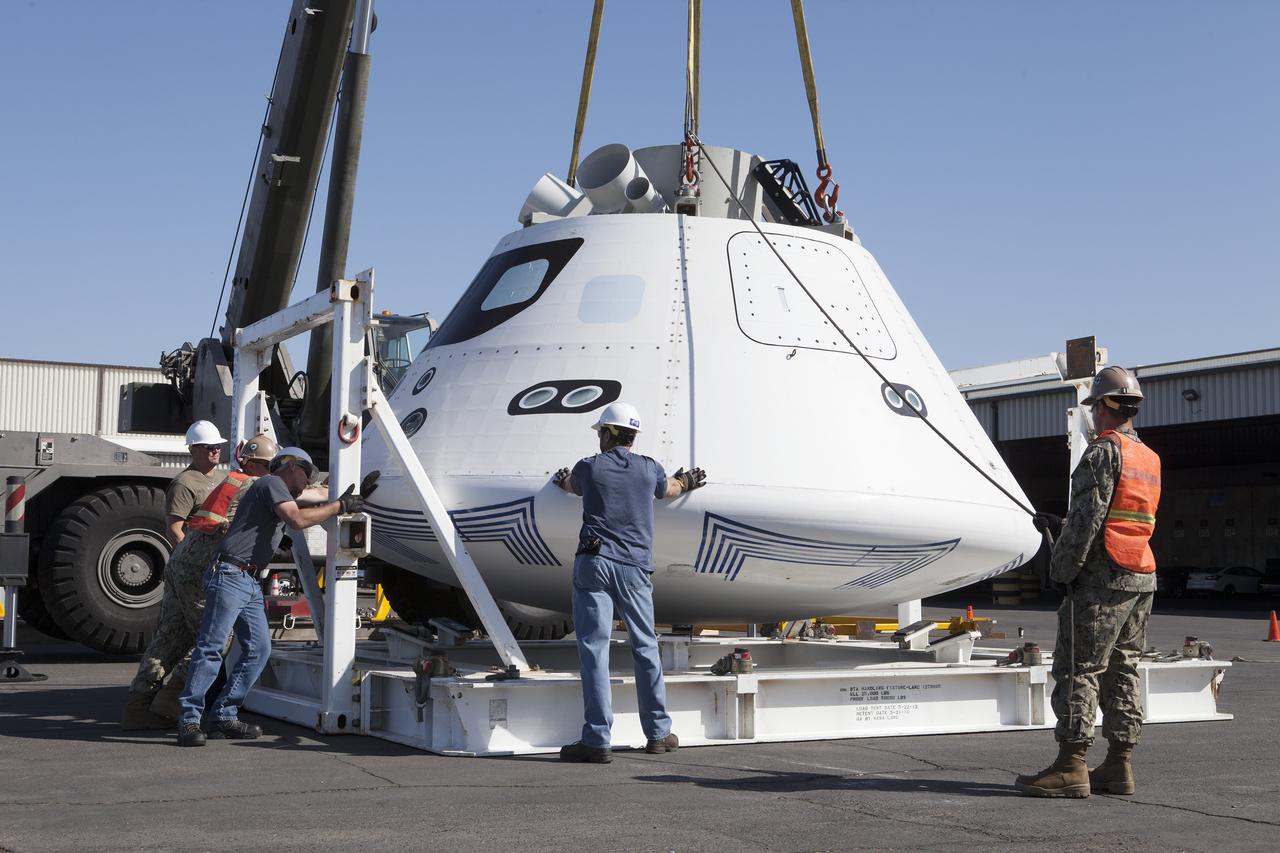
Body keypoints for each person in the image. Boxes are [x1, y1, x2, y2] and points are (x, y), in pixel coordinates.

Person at [1015, 366, 1161, 798]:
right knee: (1124, 669)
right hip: (1140, 576)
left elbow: (1086, 522)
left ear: (1101, 407)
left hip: (1099, 583)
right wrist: (1065, 524)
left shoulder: (1102, 453)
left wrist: (1060, 568)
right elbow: (1120, 516)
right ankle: (1119, 764)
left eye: (1094, 407)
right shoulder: (1148, 457)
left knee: (1080, 669)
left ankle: (1071, 764)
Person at [175, 448, 378, 747]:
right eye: (307, 474)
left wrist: (356, 494)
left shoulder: (280, 489)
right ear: (292, 466)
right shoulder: (270, 484)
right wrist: (338, 506)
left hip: (247, 579)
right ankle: (189, 719)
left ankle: (223, 714)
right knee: (211, 648)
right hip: (231, 574)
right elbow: (296, 519)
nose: (308, 483)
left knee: (259, 649)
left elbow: (316, 495)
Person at [552, 402, 706, 763]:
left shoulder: (589, 467)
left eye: (600, 432)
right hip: (636, 567)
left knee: (594, 649)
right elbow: (668, 489)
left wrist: (560, 480)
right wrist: (687, 481)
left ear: (607, 433)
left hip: (595, 564)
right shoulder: (649, 468)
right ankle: (658, 733)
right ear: (633, 436)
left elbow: (570, 486)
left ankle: (596, 740)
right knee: (645, 647)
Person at [121, 434, 295, 729]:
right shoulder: (259, 485)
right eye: (272, 466)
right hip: (205, 566)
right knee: (216, 638)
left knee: (169, 638)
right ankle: (171, 701)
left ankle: (138, 706)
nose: (276, 473)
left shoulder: (231, 480)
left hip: (181, 563)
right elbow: (294, 498)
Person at [166, 420, 227, 546]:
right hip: (197, 560)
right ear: (194, 450)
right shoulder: (184, 483)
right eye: (210, 447)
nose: (216, 451)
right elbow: (174, 531)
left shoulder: (224, 479)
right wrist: (192, 557)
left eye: (218, 446)